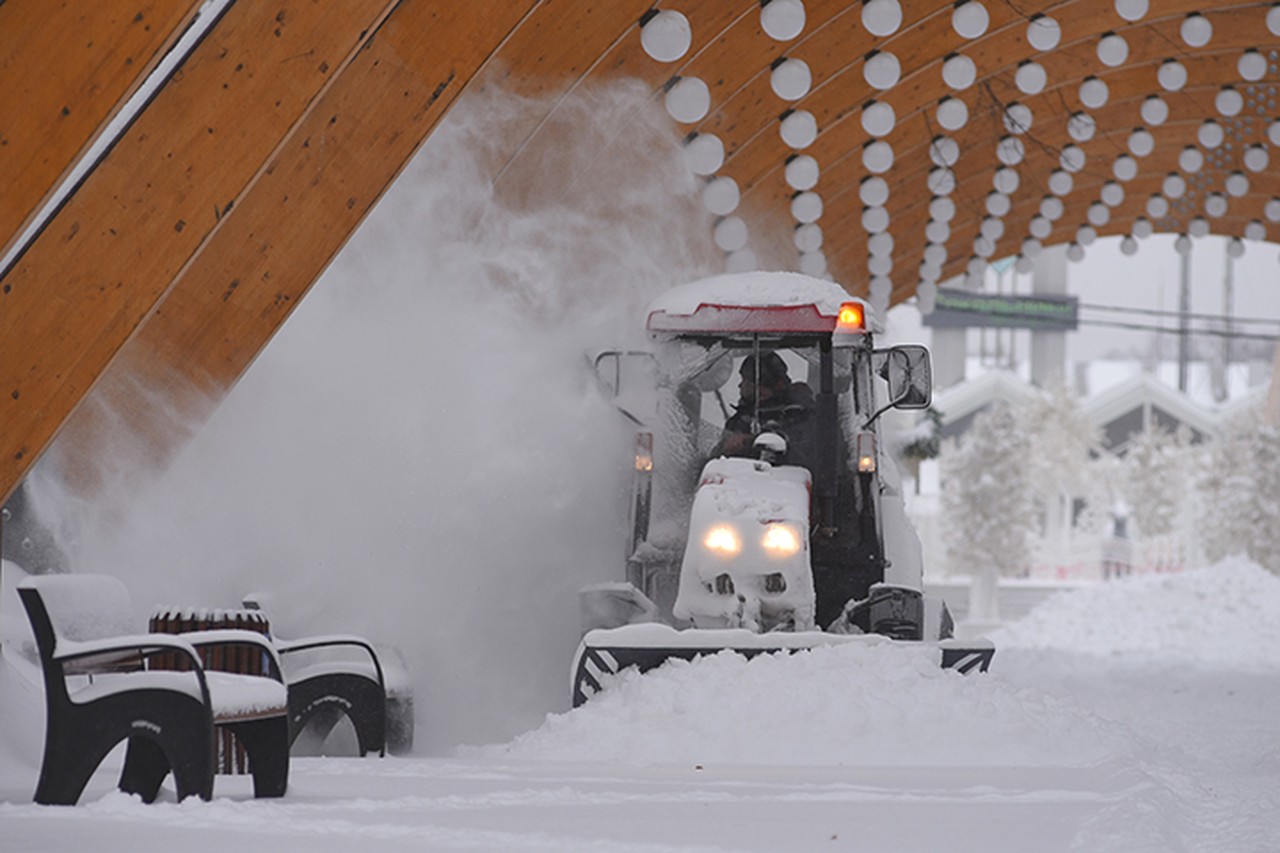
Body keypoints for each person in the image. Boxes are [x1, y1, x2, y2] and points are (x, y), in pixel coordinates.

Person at [713, 351, 814, 460]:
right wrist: (724, 448)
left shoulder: (799, 415)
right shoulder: (738, 420)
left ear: (760, 386)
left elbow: (801, 454)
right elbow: (714, 460)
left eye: (745, 380)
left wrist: (748, 442)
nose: (740, 385)